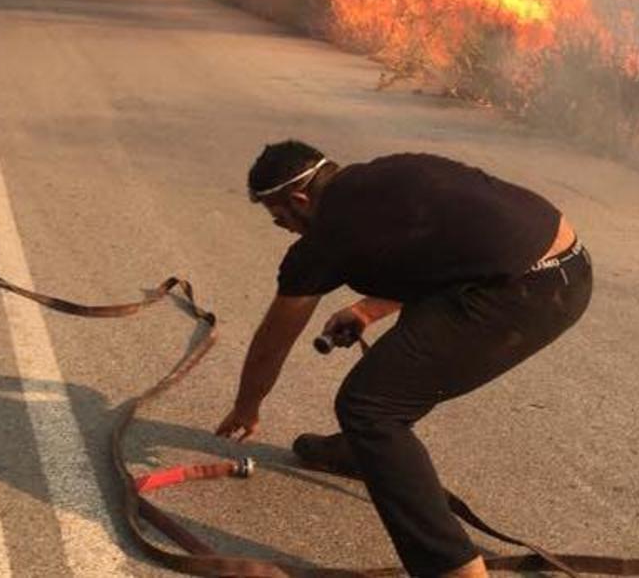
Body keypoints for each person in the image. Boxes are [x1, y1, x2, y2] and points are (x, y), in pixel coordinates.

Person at [216, 140, 593, 578]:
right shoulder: (388, 176)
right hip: (569, 266)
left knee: (369, 406)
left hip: (528, 295)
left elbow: (272, 341)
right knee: (399, 372)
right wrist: (365, 310)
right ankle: (363, 452)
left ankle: (451, 567)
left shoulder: (326, 237)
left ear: (300, 199)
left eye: (280, 218)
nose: (284, 228)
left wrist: (247, 406)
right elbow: (440, 254)